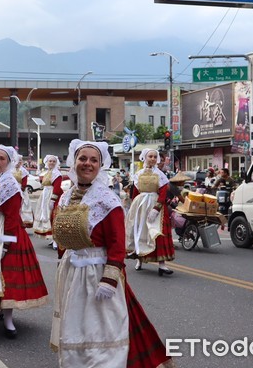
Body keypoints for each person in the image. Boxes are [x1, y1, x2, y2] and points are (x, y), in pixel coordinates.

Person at [50, 139, 173, 368]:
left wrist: (109, 279)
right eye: (82, 158)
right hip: (73, 272)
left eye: (93, 160)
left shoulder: (108, 201)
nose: (87, 164)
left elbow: (117, 244)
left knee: (100, 326)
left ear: (100, 165)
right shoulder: (67, 198)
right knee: (76, 324)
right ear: (74, 162)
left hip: (96, 273)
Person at [0, 145, 48, 339]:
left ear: (8, 162)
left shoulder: (10, 184)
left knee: (6, 275)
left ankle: (8, 319)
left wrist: (6, 243)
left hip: (5, 232)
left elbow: (12, 216)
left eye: (1, 159)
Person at [125, 148, 175, 273]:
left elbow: (163, 193)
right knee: (139, 231)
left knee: (157, 232)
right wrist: (133, 207)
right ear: (145, 158)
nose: (152, 159)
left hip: (155, 204)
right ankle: (139, 259)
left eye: (154, 157)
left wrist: (157, 208)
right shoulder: (138, 174)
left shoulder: (160, 175)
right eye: (150, 156)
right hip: (140, 205)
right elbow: (135, 192)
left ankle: (162, 264)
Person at [33, 155, 63, 249]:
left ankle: (56, 240)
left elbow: (57, 188)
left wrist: (53, 200)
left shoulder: (57, 174)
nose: (52, 163)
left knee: (53, 217)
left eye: (54, 161)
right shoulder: (47, 172)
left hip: (53, 196)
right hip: (45, 195)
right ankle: (52, 238)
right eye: (50, 161)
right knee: (47, 216)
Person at [13, 155, 33, 228]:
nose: (18, 163)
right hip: (12, 189)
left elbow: (24, 182)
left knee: (23, 206)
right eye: (16, 161)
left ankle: (24, 222)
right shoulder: (11, 169)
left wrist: (21, 189)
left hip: (20, 190)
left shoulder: (23, 171)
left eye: (19, 161)